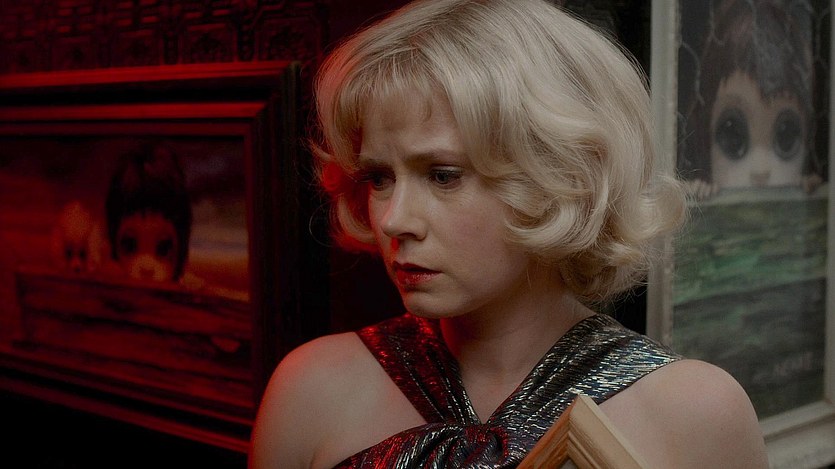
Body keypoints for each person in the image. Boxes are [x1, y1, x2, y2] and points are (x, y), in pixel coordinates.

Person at [250, 0, 769, 467]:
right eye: (379, 178)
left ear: (560, 176)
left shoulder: (695, 413)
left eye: (443, 175)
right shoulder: (312, 389)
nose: (393, 220)